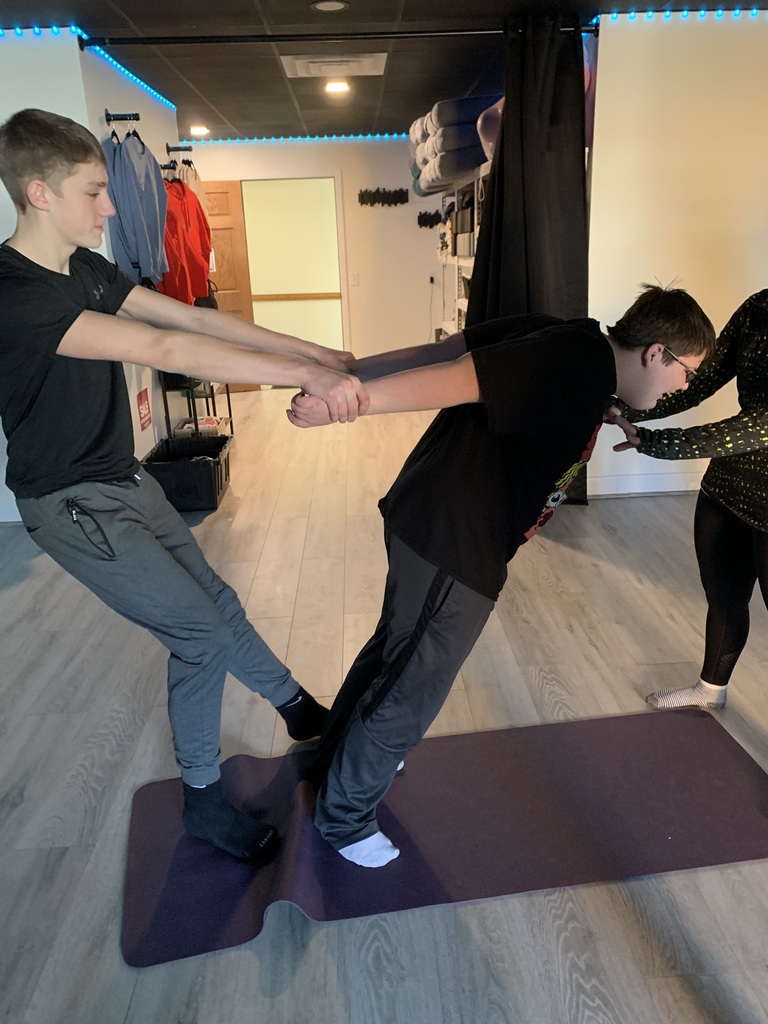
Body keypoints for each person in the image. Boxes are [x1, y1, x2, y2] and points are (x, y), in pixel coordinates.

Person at [0, 108, 369, 863]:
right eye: (95, 192)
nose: (111, 209)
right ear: (39, 193)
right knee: (198, 636)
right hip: (70, 505)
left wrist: (318, 350)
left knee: (219, 604)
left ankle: (299, 711)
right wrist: (307, 378)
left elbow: (191, 320)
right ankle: (202, 800)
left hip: (122, 481)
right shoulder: (13, 292)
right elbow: (167, 347)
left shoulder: (82, 268)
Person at [287, 284, 716, 867]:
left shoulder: (572, 340)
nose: (682, 389)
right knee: (416, 683)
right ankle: (345, 815)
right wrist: (347, 399)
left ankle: (335, 755)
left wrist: (351, 369)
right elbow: (458, 376)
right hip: (455, 537)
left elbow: (446, 350)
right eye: (687, 374)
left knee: (399, 647)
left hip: (430, 517)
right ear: (656, 353)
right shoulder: (576, 361)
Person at [606, 289, 768, 712]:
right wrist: (624, 404)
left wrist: (660, 443)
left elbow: (762, 425)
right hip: (730, 481)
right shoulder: (759, 307)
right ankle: (710, 691)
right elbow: (697, 378)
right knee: (723, 596)